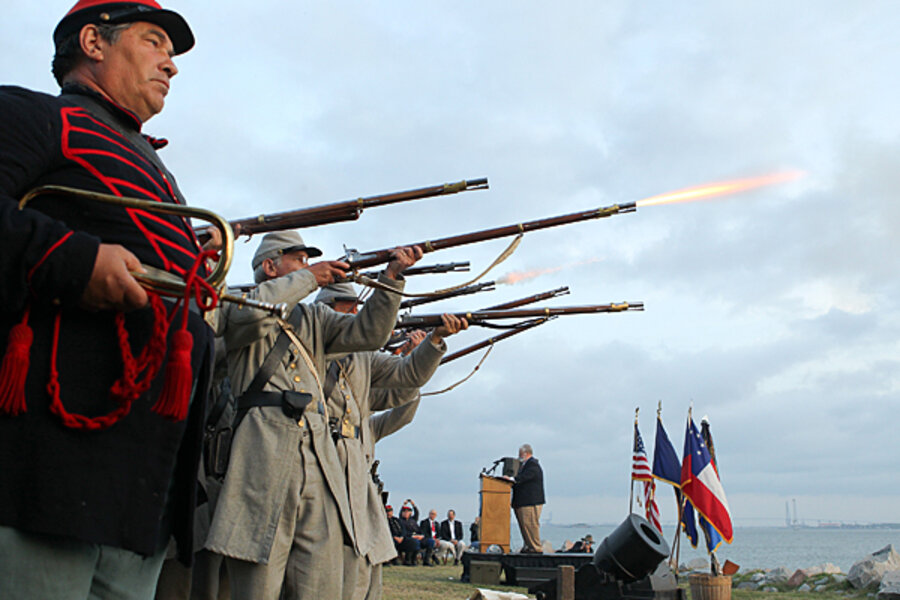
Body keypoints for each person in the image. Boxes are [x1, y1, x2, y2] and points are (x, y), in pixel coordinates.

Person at [0, 2, 215, 599]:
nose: (170, 65)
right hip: (50, 465)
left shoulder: (158, 169)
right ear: (93, 41)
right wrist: (72, 260)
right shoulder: (37, 116)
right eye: (154, 42)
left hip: (142, 474)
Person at [204, 231, 422, 600]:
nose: (308, 267)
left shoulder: (316, 318)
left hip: (318, 460)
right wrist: (308, 279)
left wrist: (391, 278)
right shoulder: (241, 303)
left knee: (319, 583)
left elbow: (369, 333)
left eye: (307, 262)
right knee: (259, 583)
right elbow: (250, 317)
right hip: (263, 453)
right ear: (270, 267)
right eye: (298, 261)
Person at [315, 283, 466, 597]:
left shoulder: (360, 362)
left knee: (363, 574)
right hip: (323, 477)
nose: (357, 318)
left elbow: (404, 389)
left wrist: (432, 341)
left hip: (359, 487)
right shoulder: (314, 352)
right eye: (348, 309)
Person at [511, 443, 545, 554]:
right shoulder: (524, 466)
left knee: (530, 525)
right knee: (524, 526)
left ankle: (536, 548)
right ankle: (528, 546)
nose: (518, 456)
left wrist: (512, 479)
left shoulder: (533, 465)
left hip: (530, 502)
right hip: (522, 502)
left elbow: (523, 478)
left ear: (525, 453)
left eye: (520, 454)